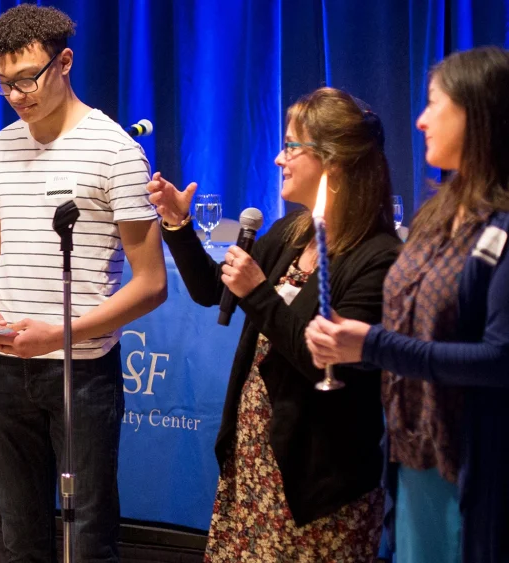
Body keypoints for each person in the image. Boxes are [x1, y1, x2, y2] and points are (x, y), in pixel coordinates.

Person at [148, 87, 399, 562]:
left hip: (317, 478)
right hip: (256, 462)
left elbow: (324, 362)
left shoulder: (378, 258)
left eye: (291, 147)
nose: (280, 158)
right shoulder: (291, 232)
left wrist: (259, 292)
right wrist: (178, 226)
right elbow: (213, 292)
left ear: (334, 161)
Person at [0, 5, 168, 562]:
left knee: (87, 537)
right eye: (3, 83)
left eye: (27, 78)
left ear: (66, 62)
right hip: (1, 365)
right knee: (19, 538)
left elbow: (152, 285)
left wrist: (58, 336)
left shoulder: (115, 151)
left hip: (80, 373)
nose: (16, 94)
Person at [305, 46, 509, 563]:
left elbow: (499, 359)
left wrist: (372, 343)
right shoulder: (435, 215)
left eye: (434, 104)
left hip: (472, 466)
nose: (419, 120)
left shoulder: (503, 227)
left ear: (479, 113)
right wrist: (355, 345)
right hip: (408, 455)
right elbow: (408, 334)